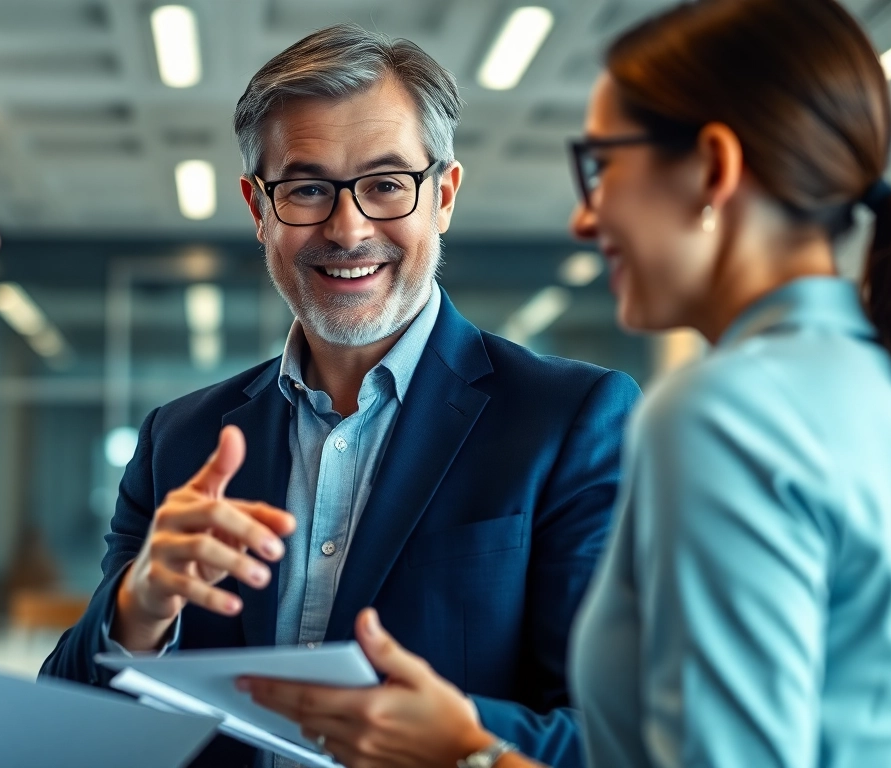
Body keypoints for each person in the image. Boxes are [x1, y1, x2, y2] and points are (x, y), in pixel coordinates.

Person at [242, 1, 891, 767]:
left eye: (603, 166)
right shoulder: (880, 385)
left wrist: (470, 753)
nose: (585, 218)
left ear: (714, 170)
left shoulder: (725, 413)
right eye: (309, 190)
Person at [40, 23, 640, 768]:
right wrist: (138, 606)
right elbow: (69, 719)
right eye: (307, 188)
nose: (348, 227)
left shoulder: (571, 422)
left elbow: (614, 737)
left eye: (387, 184)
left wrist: (460, 739)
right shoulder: (182, 440)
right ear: (258, 209)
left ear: (443, 196)